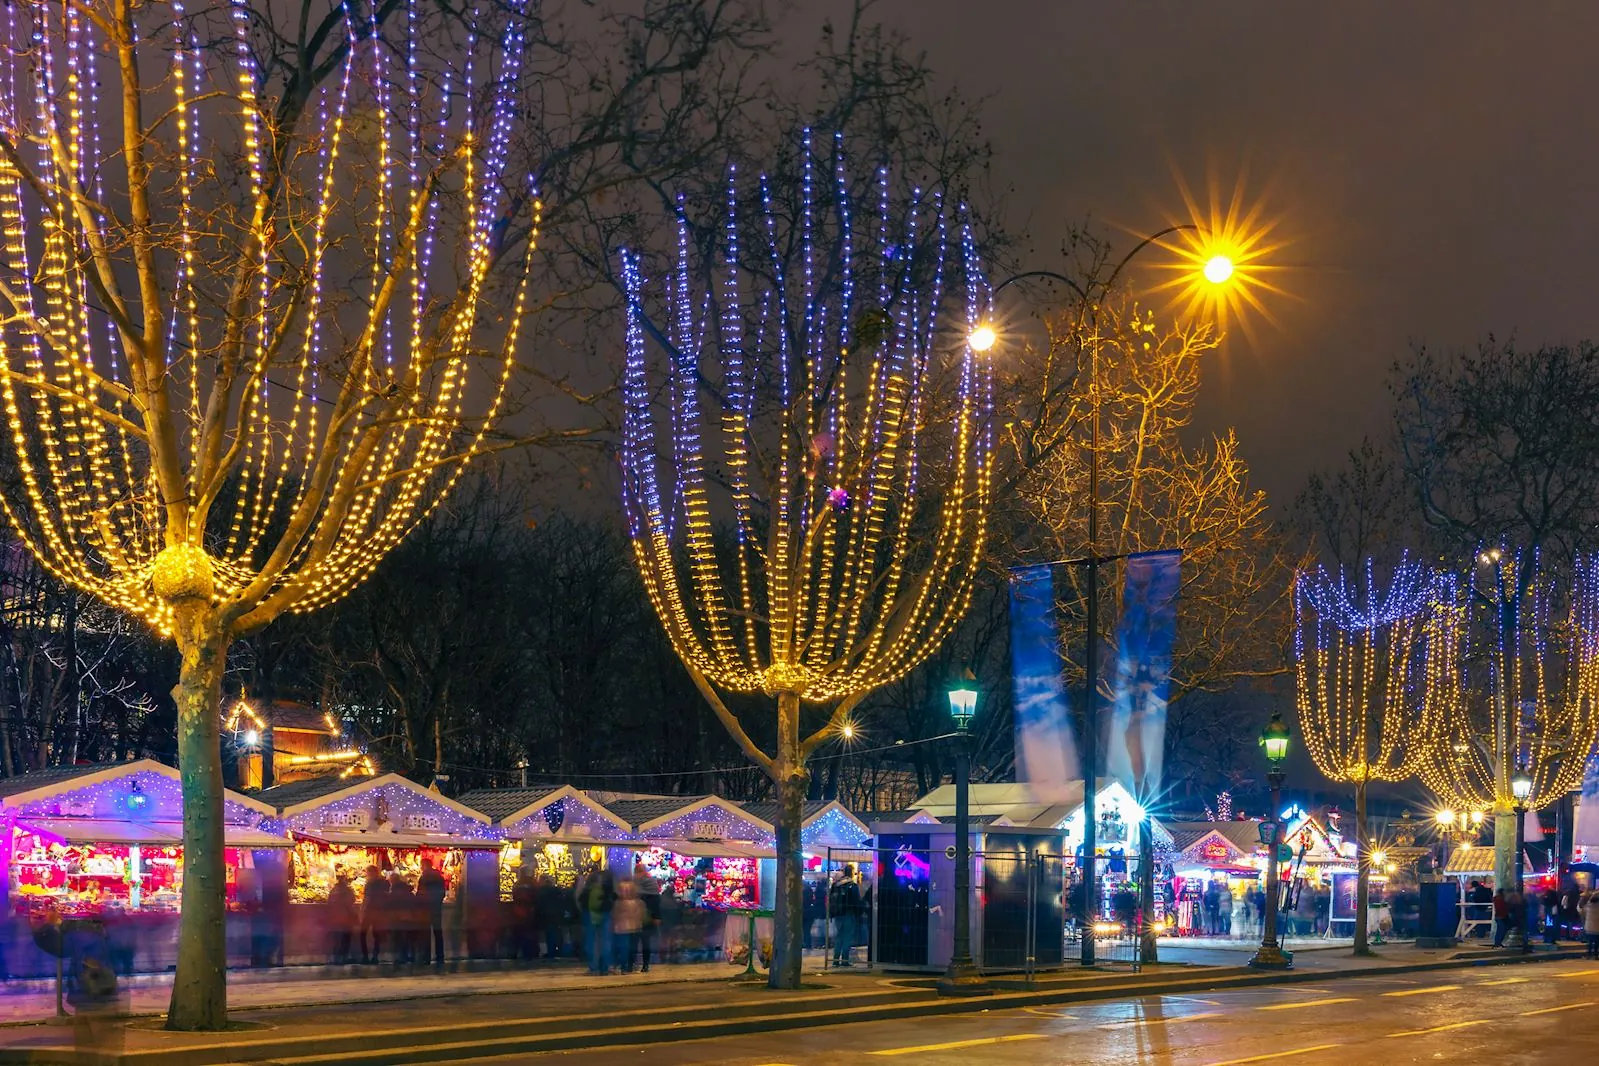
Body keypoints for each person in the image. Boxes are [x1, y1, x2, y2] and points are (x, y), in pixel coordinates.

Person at [579, 866, 616, 975]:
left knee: (591, 942)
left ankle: (593, 966)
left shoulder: (587, 890)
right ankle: (605, 967)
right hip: (605, 915)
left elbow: (581, 902)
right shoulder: (608, 890)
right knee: (605, 941)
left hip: (589, 916)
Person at [417, 859, 449, 967]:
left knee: (426, 934)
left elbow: (420, 893)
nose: (420, 867)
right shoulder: (439, 877)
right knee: (438, 933)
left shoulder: (424, 877)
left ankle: (426, 958)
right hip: (436, 909)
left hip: (426, 909)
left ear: (424, 865)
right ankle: (440, 957)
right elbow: (442, 893)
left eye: (421, 865)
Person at [829, 866, 862, 966]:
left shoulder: (836, 885)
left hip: (838, 915)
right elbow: (856, 902)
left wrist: (832, 913)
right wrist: (858, 915)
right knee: (847, 937)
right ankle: (845, 960)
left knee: (839, 936)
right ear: (852, 873)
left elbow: (831, 900)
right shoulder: (852, 885)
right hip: (849, 914)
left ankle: (835, 960)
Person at [612, 878, 645, 973]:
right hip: (632, 927)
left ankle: (624, 966)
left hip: (623, 928)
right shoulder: (638, 903)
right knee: (629, 948)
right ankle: (627, 966)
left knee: (625, 948)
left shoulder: (618, 903)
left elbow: (615, 915)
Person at [634, 862, 661, 972]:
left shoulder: (634, 885)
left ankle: (641, 964)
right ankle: (643, 965)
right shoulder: (652, 884)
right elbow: (656, 902)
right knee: (643, 942)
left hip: (643, 918)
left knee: (640, 942)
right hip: (643, 918)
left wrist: (656, 916)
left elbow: (655, 902)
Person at [327, 873, 357, 965]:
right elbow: (352, 901)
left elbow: (329, 902)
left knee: (336, 939)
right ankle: (343, 957)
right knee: (345, 938)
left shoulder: (333, 890)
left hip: (334, 918)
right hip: (346, 918)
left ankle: (335, 958)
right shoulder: (348, 891)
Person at [361, 865, 388, 964]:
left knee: (363, 933)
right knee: (377, 935)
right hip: (379, 912)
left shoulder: (369, 884)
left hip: (370, 912)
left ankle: (365, 957)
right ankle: (375, 956)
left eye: (368, 872)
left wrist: (362, 910)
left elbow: (367, 899)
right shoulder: (384, 882)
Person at [535, 874, 566, 959]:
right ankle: (555, 952)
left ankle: (549, 952)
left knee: (547, 934)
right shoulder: (556, 890)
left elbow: (539, 903)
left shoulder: (541, 891)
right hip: (555, 915)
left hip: (545, 915)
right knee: (554, 934)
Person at [1582, 889, 1599, 960]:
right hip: (1597, 928)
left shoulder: (1588, 906)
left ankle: (1588, 955)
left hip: (1589, 928)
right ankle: (1596, 955)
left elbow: (1582, 911)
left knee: (1590, 942)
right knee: (1596, 943)